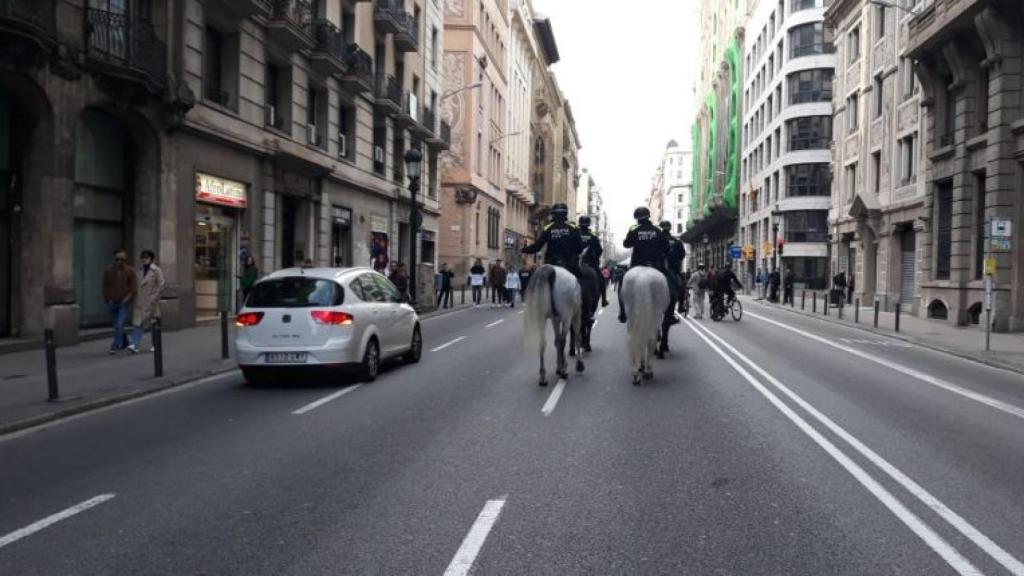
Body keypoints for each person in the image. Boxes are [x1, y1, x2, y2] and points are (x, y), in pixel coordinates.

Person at [521, 203, 583, 317]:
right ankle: (580, 307)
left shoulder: (548, 228)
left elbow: (537, 246)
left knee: (540, 284)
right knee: (581, 280)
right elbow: (579, 248)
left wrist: (524, 249)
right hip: (569, 263)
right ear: (566, 214)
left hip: (552, 263)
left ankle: (538, 307)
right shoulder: (573, 228)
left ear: (553, 215)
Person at [618, 207, 670, 324]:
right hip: (656, 265)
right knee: (671, 283)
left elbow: (626, 244)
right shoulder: (658, 230)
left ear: (637, 219)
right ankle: (669, 314)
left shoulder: (634, 229)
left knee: (622, 285)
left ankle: (622, 313)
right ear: (648, 216)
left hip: (637, 264)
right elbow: (666, 248)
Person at [127, 250, 165, 354]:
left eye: (147, 257)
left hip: (151, 301)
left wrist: (154, 297)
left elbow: (161, 285)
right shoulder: (139, 270)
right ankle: (134, 344)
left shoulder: (156, 270)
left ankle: (155, 344)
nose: (144, 259)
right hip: (141, 301)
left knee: (153, 324)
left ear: (151, 259)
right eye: (143, 257)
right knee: (138, 324)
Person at [102, 249, 137, 354]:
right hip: (113, 302)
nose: (119, 262)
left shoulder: (130, 271)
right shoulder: (108, 271)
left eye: (122, 259)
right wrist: (108, 299)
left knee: (120, 324)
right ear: (114, 259)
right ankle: (126, 341)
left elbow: (133, 287)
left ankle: (115, 345)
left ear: (125, 260)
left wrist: (128, 298)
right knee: (117, 325)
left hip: (123, 303)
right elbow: (105, 287)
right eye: (117, 259)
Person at [578, 215, 606, 305]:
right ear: (588, 224)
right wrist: (595, 258)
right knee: (601, 280)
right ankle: (604, 300)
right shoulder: (593, 236)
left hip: (574, 263)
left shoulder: (575, 233)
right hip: (590, 264)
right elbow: (599, 250)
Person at [662, 220, 686, 321]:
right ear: (670, 228)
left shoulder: (656, 239)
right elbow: (682, 255)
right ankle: (680, 306)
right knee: (681, 287)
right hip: (672, 270)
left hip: (657, 267)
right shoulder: (676, 241)